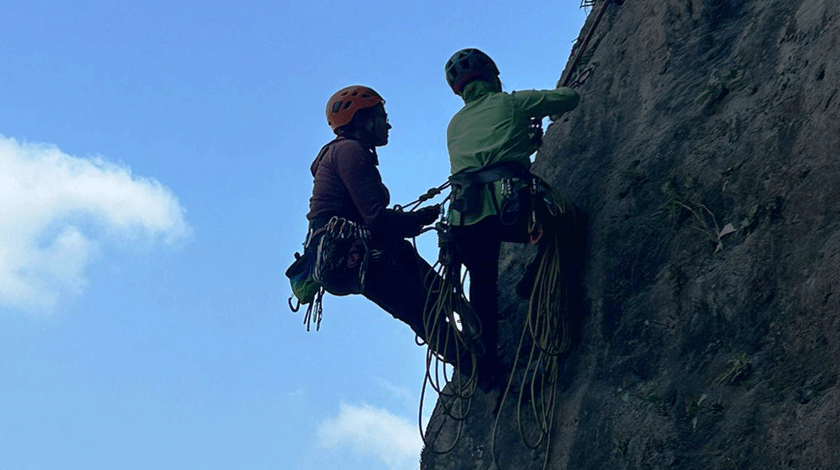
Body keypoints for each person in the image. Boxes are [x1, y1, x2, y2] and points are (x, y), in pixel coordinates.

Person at [443, 48, 581, 381]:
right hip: (511, 208)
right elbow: (568, 98)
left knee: (482, 285)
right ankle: (534, 279)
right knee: (566, 221)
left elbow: (489, 151)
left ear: (460, 90)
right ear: (492, 74)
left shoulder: (454, 125)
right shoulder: (512, 103)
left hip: (465, 217)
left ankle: (488, 366)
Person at [306, 85, 446, 351]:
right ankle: (486, 372)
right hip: (352, 251)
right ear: (362, 121)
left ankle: (479, 359)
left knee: (428, 296)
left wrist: (413, 221)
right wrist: (419, 219)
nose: (388, 125)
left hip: (348, 251)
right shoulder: (348, 152)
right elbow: (378, 221)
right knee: (423, 310)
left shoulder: (340, 153)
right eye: (382, 117)